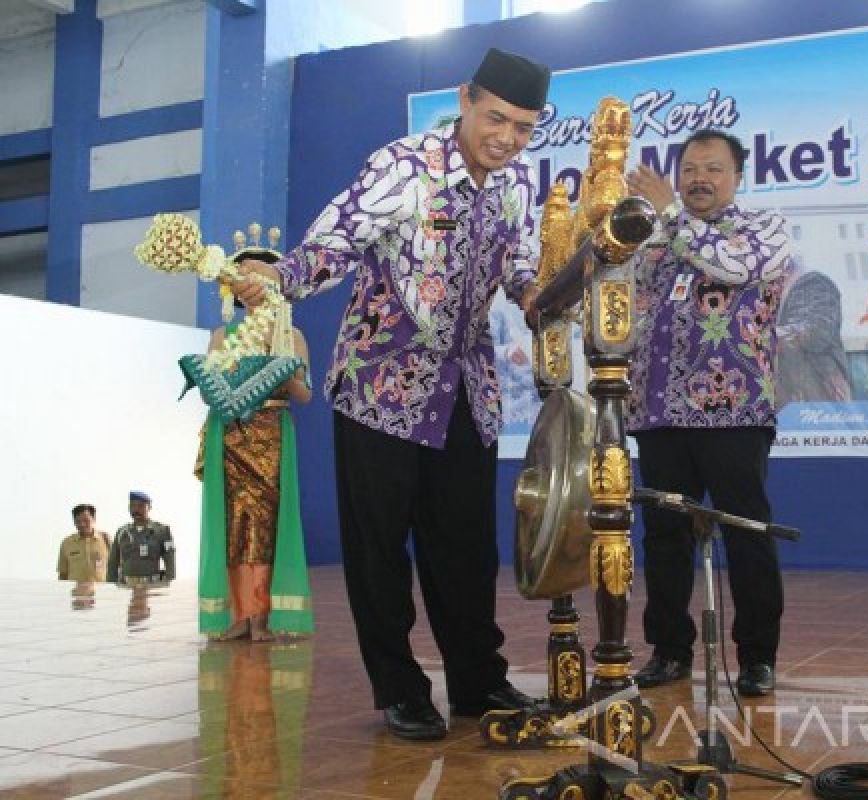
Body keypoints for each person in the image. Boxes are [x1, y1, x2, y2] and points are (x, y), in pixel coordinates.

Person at [232, 47, 548, 740]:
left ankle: (478, 684)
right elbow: (334, 244)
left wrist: (534, 292)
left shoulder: (520, 181)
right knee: (379, 548)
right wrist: (278, 280)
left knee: (466, 547)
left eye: (523, 127)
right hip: (380, 382)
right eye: (496, 118)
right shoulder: (401, 167)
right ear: (466, 98)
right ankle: (400, 688)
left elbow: (523, 260)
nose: (507, 138)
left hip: (468, 388)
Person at [625, 129, 794, 697]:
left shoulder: (763, 230)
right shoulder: (656, 238)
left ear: (737, 177)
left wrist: (670, 214)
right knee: (664, 537)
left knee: (745, 531)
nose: (698, 178)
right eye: (689, 168)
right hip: (660, 412)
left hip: (734, 409)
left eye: (713, 169)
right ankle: (668, 650)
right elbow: (621, 293)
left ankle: (757, 657)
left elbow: (732, 269)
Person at [194, 267, 315, 643]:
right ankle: (239, 614)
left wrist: (286, 375)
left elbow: (305, 394)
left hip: (271, 437)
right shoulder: (222, 336)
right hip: (231, 435)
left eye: (261, 284)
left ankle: (262, 614)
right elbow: (207, 391)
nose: (253, 290)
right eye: (244, 283)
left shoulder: (289, 336)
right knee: (233, 523)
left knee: (265, 524)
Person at [775, 267, 852, 405]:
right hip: (787, 410)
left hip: (815, 412)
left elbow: (814, 331)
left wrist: (753, 338)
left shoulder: (808, 281)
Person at [107, 491, 176, 586]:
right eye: (132, 506)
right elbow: (113, 562)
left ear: (149, 507)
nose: (136, 510)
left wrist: (169, 583)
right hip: (126, 587)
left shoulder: (162, 531)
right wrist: (110, 586)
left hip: (152, 586)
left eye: (141, 506)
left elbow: (170, 560)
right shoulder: (122, 532)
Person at [57, 503, 110, 582]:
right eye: (78, 521)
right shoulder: (67, 543)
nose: (82, 524)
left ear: (94, 518)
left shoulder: (106, 539)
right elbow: (63, 573)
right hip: (75, 592)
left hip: (101, 592)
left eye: (86, 520)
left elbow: (117, 568)